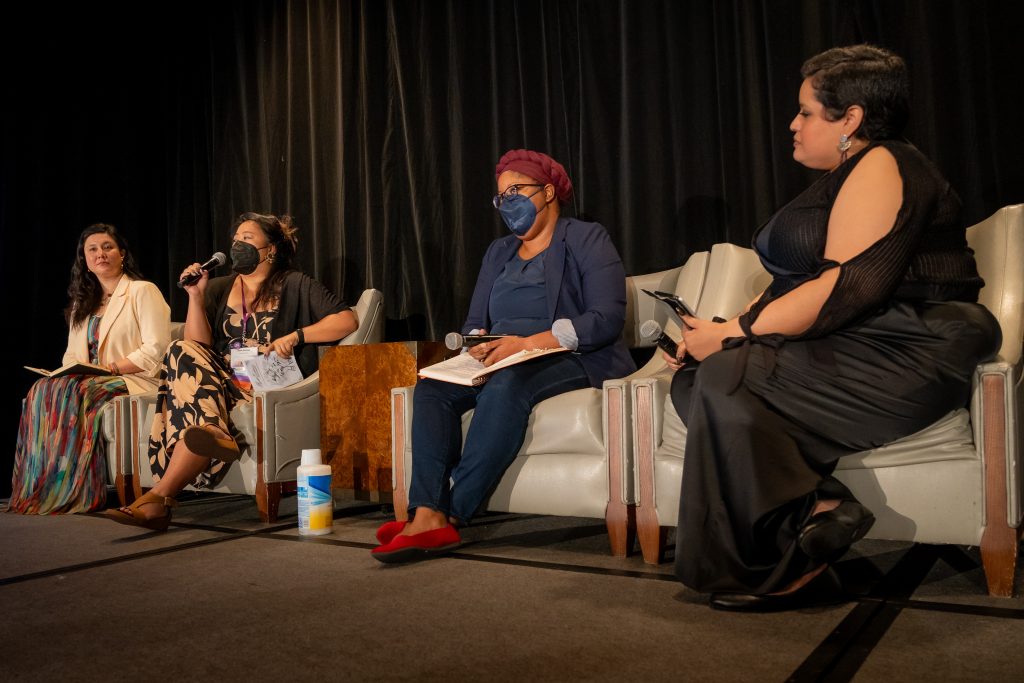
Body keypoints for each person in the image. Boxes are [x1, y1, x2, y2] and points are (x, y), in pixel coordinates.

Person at [664, 45, 1001, 611]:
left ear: (850, 119)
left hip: (912, 342)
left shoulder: (885, 162)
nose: (793, 125)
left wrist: (735, 333)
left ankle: (787, 566)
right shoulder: (847, 175)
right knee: (696, 381)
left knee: (725, 375)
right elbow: (812, 286)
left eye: (806, 112)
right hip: (858, 333)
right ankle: (820, 508)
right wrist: (723, 332)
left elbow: (849, 285)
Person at [372, 149, 636, 563]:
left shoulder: (586, 237)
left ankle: (453, 514)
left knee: (507, 388)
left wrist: (526, 344)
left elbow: (606, 318)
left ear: (548, 192)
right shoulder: (499, 252)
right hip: (503, 354)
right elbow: (476, 320)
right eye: (501, 195)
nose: (507, 200)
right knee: (430, 387)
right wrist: (478, 343)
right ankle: (426, 511)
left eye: (517, 190)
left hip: (571, 356)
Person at [104, 212, 358, 530]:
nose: (238, 244)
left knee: (188, 389)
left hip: (267, 385)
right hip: (221, 383)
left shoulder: (294, 283)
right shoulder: (220, 287)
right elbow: (196, 346)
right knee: (180, 349)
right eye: (236, 239)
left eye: (247, 239)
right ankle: (204, 442)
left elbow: (347, 320)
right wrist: (196, 297)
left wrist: (296, 336)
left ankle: (161, 496)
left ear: (272, 249)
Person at [8, 223, 171, 514]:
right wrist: (67, 373)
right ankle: (45, 486)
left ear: (122, 253)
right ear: (84, 259)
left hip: (134, 379)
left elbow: (154, 349)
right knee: (41, 389)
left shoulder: (142, 291)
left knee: (77, 391)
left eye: (107, 247)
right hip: (92, 379)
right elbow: (72, 355)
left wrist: (111, 367)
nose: (101, 254)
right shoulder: (83, 303)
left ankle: (74, 489)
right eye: (92, 249)